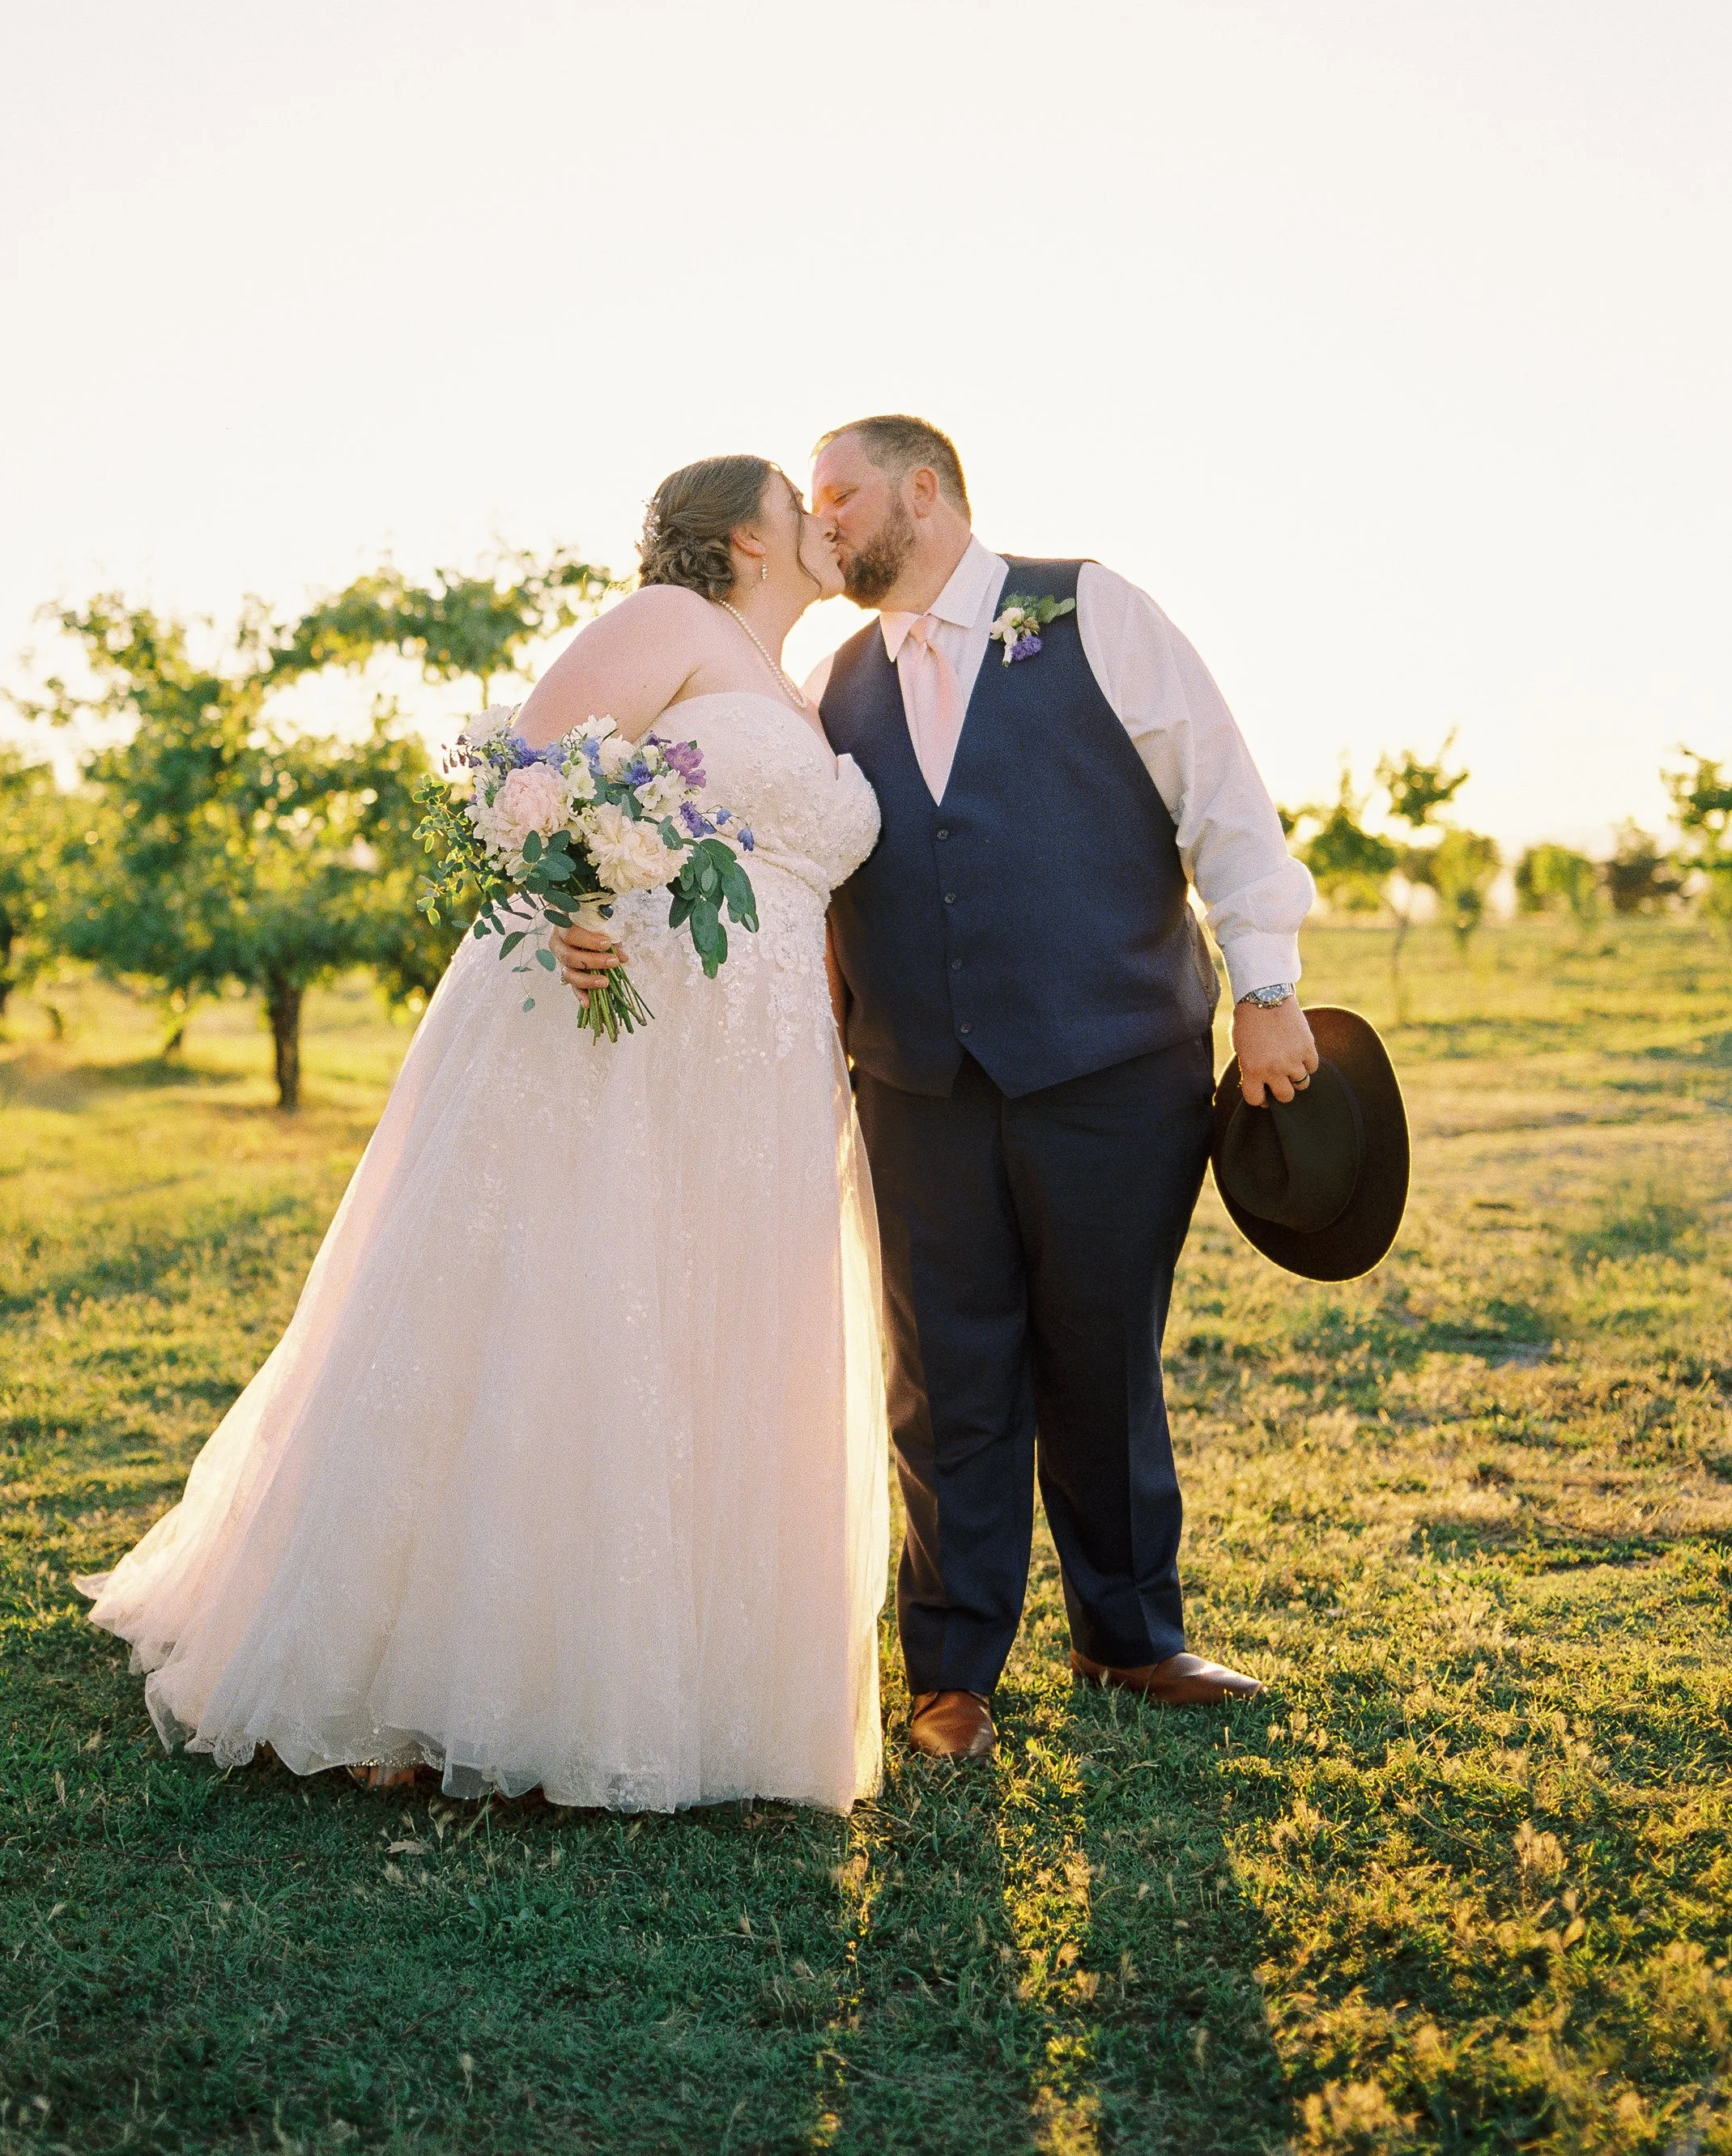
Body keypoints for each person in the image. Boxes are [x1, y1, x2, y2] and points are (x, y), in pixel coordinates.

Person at [77, 457, 890, 1814]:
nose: (822, 513)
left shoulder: (797, 688)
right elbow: (524, 770)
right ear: (745, 532)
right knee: (560, 1308)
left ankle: (686, 1680)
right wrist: (574, 895)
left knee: (703, 1329)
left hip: (756, 1067)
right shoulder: (668, 625)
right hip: (618, 1015)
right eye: (797, 497)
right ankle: (428, 1671)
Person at [806, 415, 1316, 1752]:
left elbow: (1222, 794)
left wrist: (1265, 989)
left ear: (926, 489)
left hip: (1111, 1060)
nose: (826, 523)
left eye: (843, 495)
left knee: (1102, 1350)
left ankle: (1132, 1637)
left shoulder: (1091, 609)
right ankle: (951, 1671)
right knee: (945, 1375)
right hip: (916, 1082)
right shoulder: (838, 681)